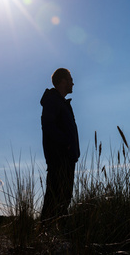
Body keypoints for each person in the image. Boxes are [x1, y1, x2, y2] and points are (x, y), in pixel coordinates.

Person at [40, 68, 80, 224]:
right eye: (70, 80)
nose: (73, 83)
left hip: (66, 158)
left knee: (63, 199)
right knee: (55, 198)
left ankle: (57, 237)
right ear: (63, 81)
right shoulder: (53, 100)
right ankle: (44, 236)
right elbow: (48, 126)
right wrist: (66, 144)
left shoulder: (62, 103)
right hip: (59, 158)